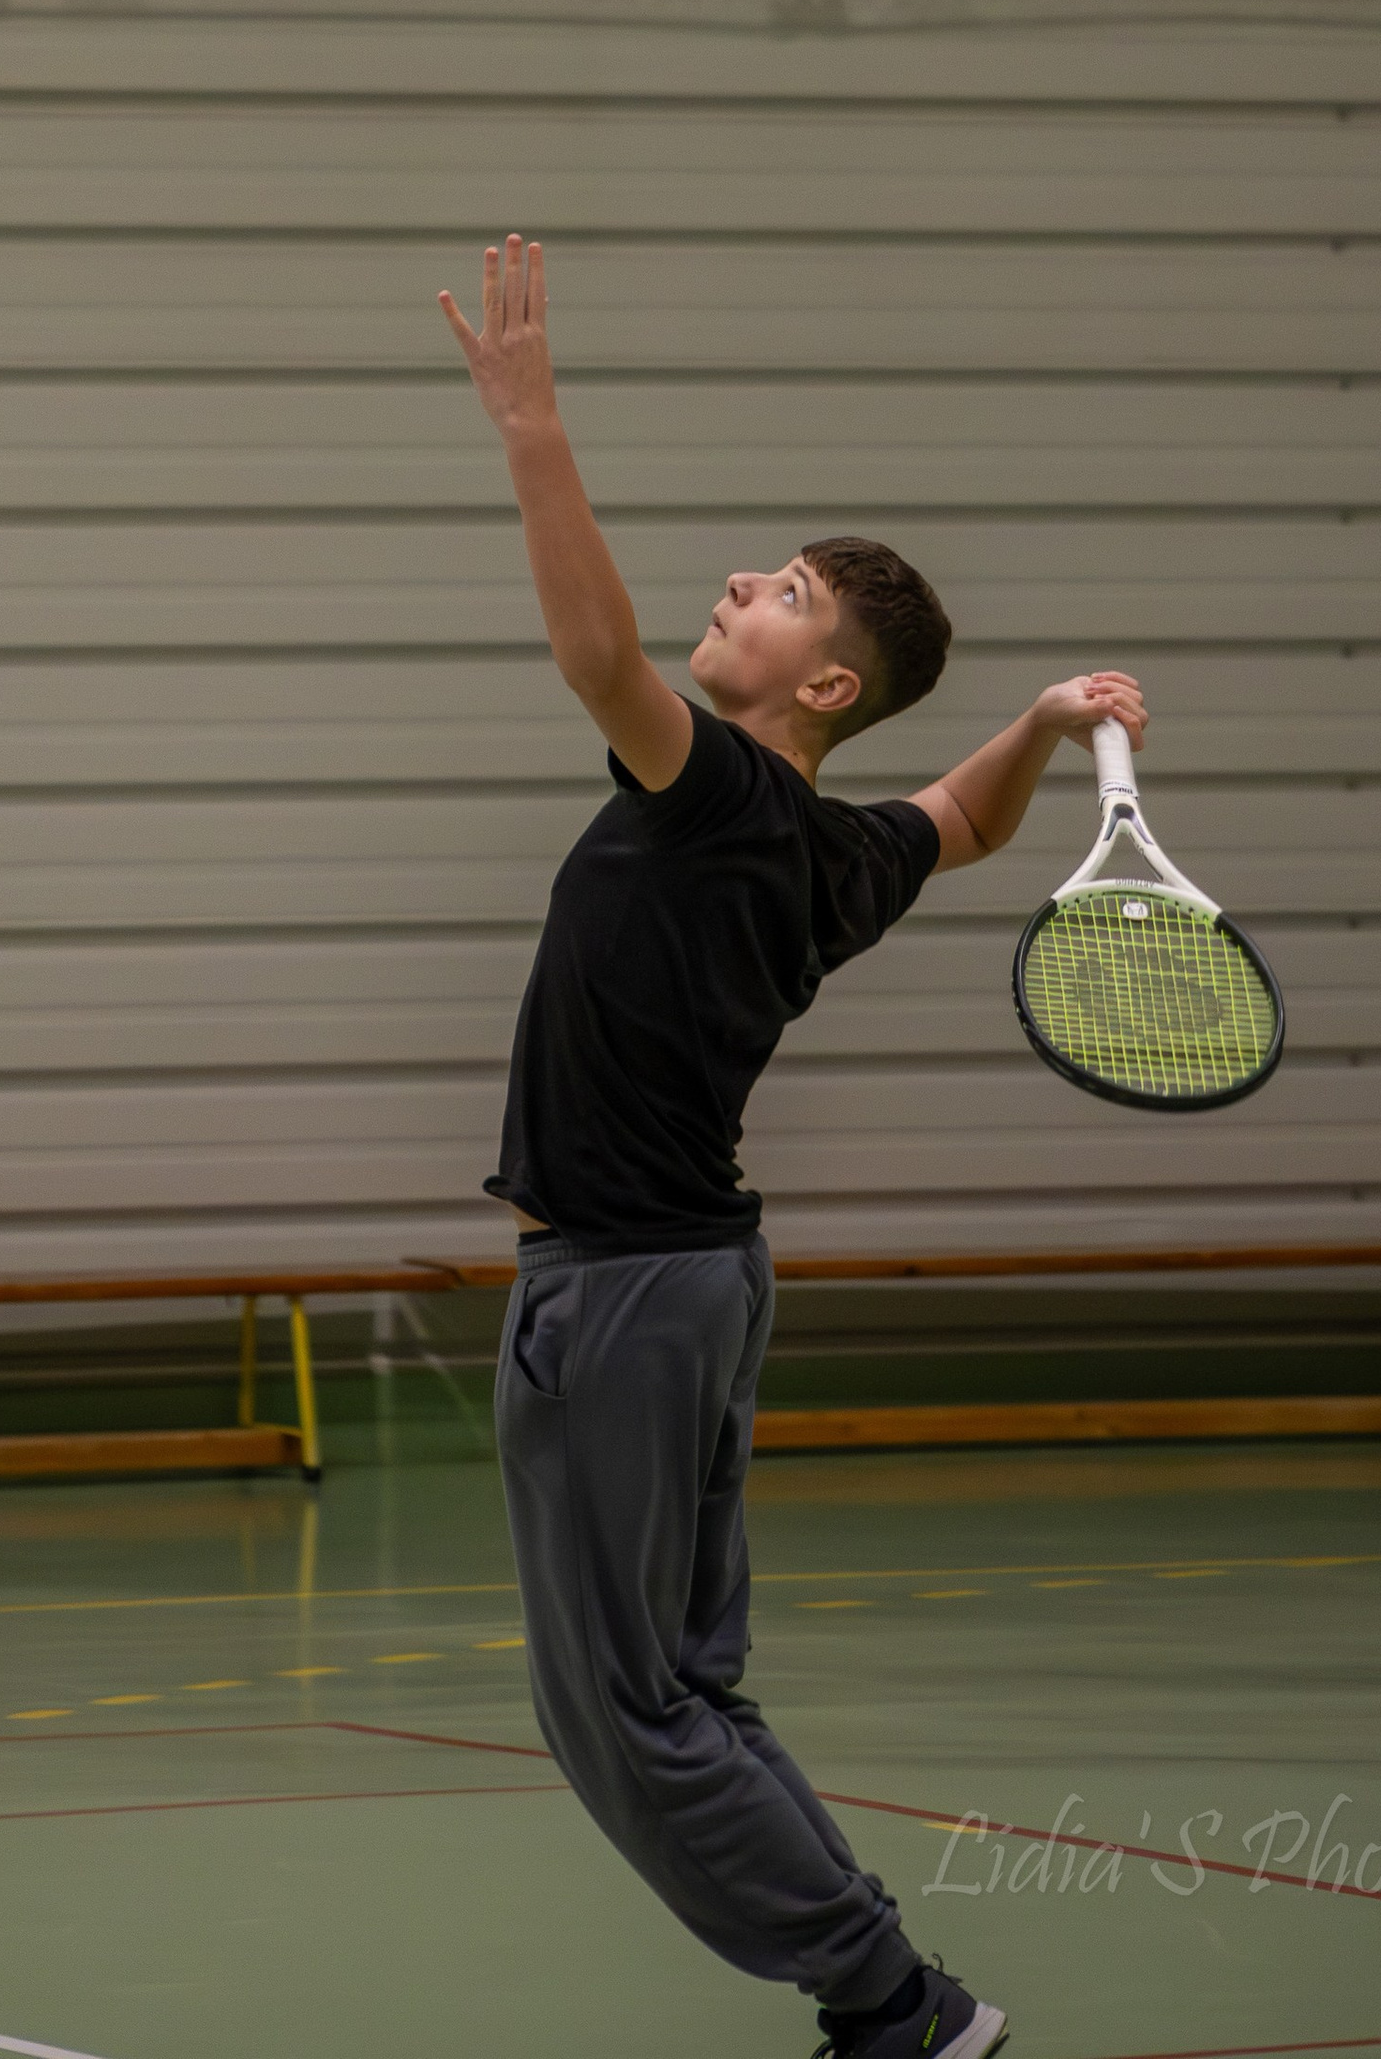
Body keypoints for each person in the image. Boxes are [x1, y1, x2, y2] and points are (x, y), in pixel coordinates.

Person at [439, 234, 1148, 2059]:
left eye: (781, 594)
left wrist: (530, 424)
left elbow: (596, 651)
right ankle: (896, 2014)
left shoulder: (722, 797)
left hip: (621, 1294)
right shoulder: (826, 859)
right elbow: (962, 832)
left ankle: (892, 2003)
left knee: (621, 1709)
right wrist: (1045, 721)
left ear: (815, 689)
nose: (741, 582)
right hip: (696, 1283)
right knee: (686, 1687)